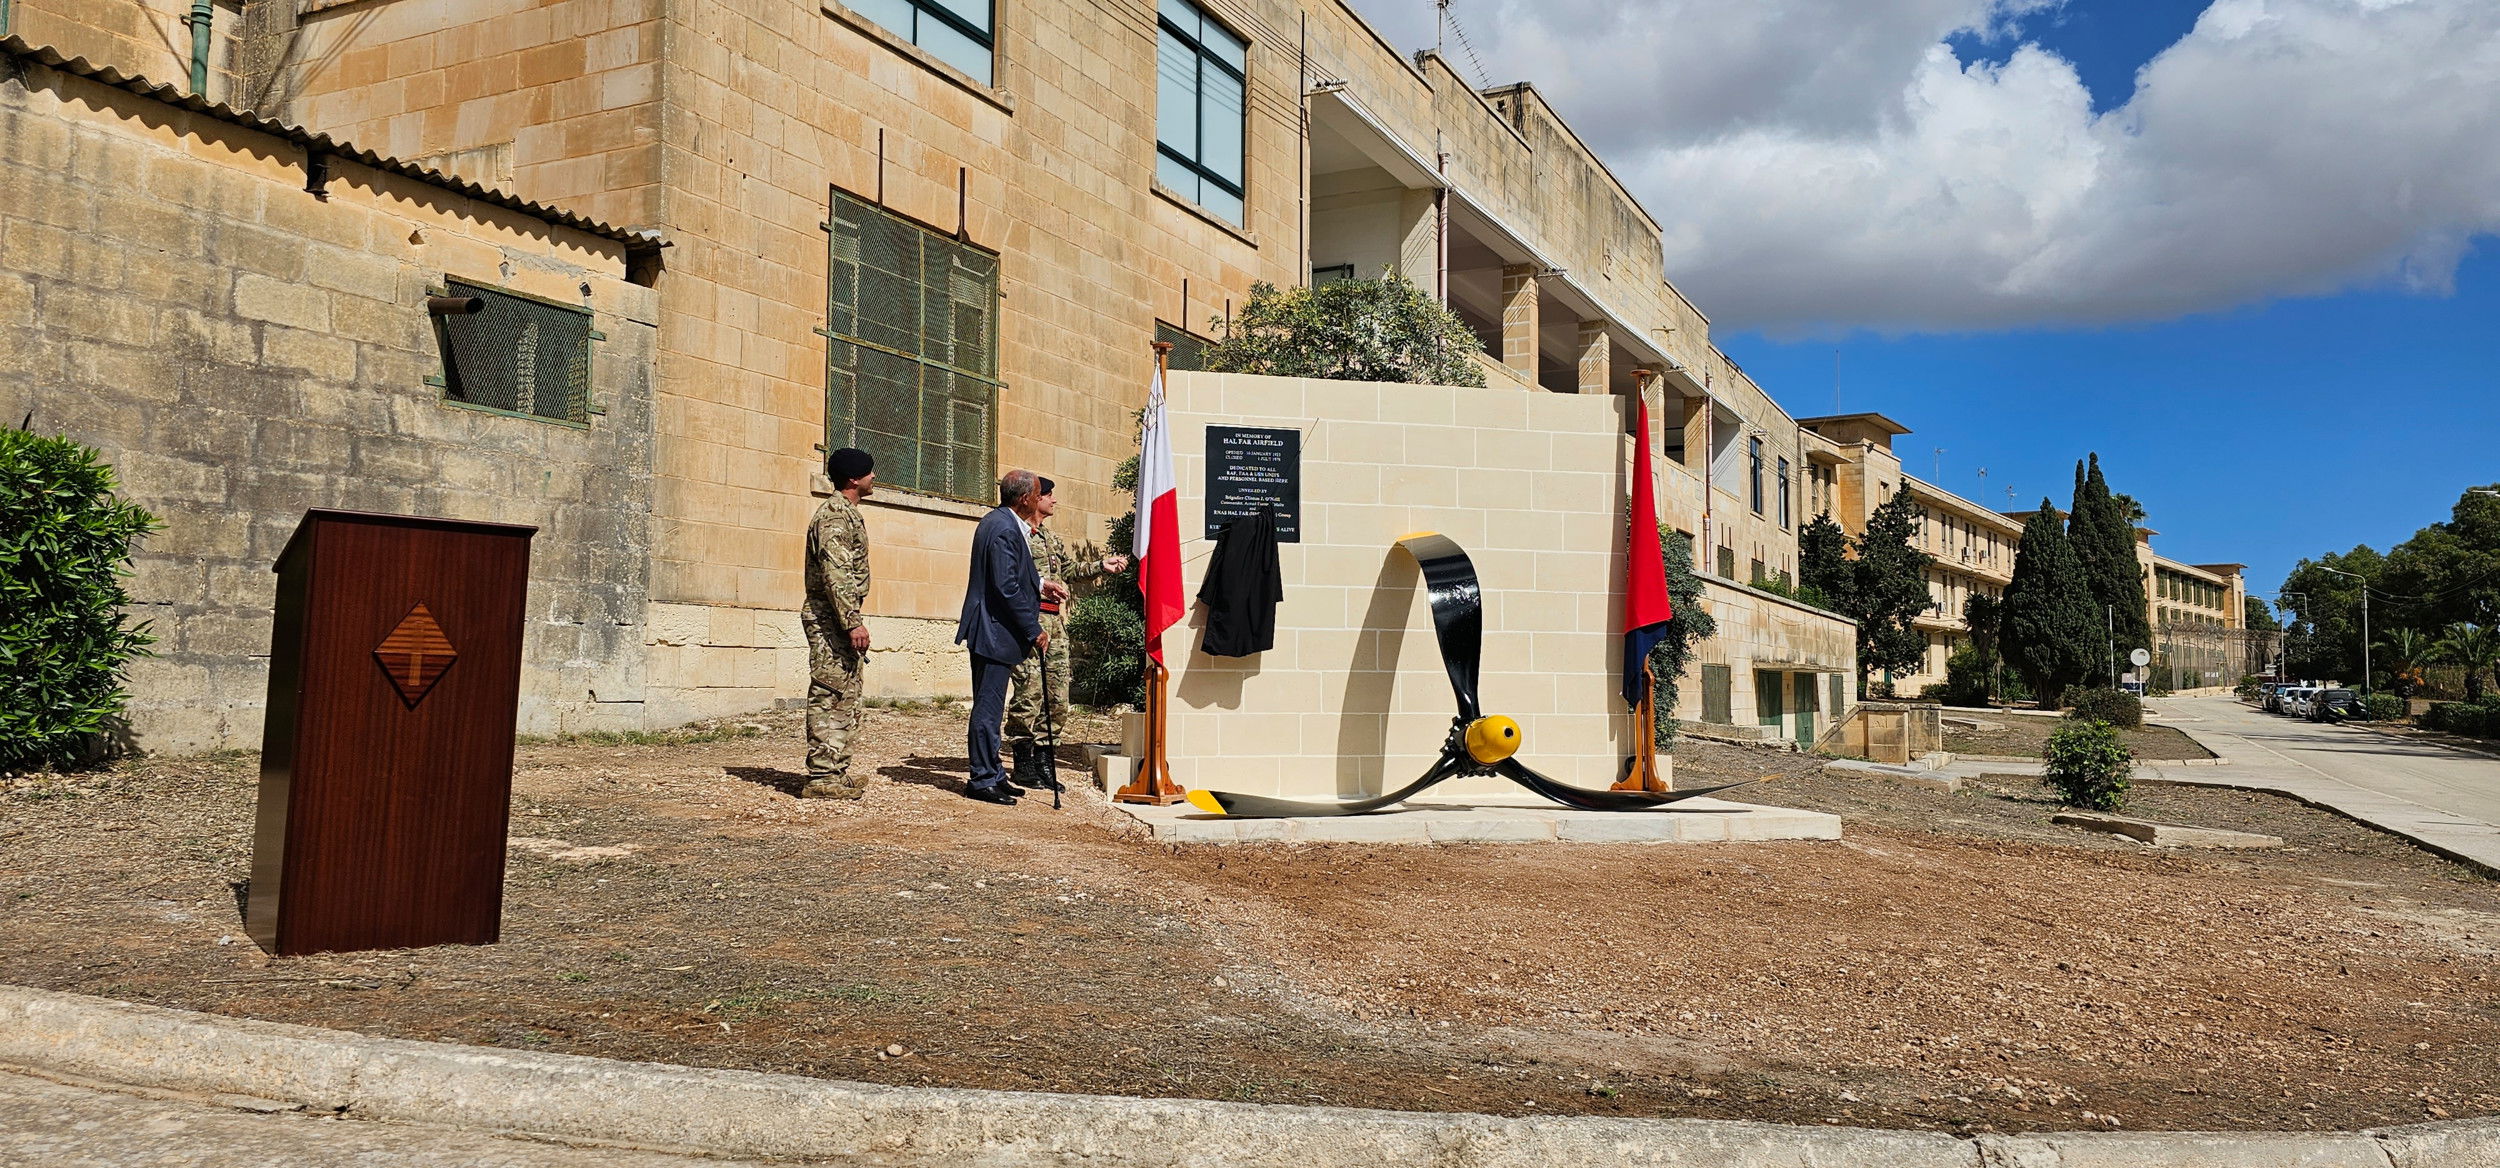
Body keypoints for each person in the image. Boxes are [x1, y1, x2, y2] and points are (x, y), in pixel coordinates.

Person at [1004, 477, 1128, 790]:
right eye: (1048, 495)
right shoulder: (1017, 535)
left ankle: (1046, 760)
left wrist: (1102, 565)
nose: (1054, 500)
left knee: (1058, 696)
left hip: (1055, 627)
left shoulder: (1050, 538)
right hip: (1028, 624)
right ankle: (1023, 761)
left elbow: (1069, 571)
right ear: (1032, 499)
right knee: (1028, 692)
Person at [955, 469, 1047, 805]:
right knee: (988, 708)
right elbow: (1006, 587)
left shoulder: (1002, 523)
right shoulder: (1004, 529)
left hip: (995, 630)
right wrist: (1033, 629)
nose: (1040, 500)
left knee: (991, 706)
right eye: (1038, 495)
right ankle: (981, 779)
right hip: (993, 631)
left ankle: (994, 773)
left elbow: (1012, 574)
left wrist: (1039, 585)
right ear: (1024, 499)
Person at [802, 447, 875, 799]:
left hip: (840, 619)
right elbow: (836, 574)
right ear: (853, 479)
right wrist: (852, 622)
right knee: (829, 694)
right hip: (831, 620)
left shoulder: (847, 514)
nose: (873, 477)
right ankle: (822, 778)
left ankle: (836, 770)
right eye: (868, 472)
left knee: (846, 695)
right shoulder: (833, 516)